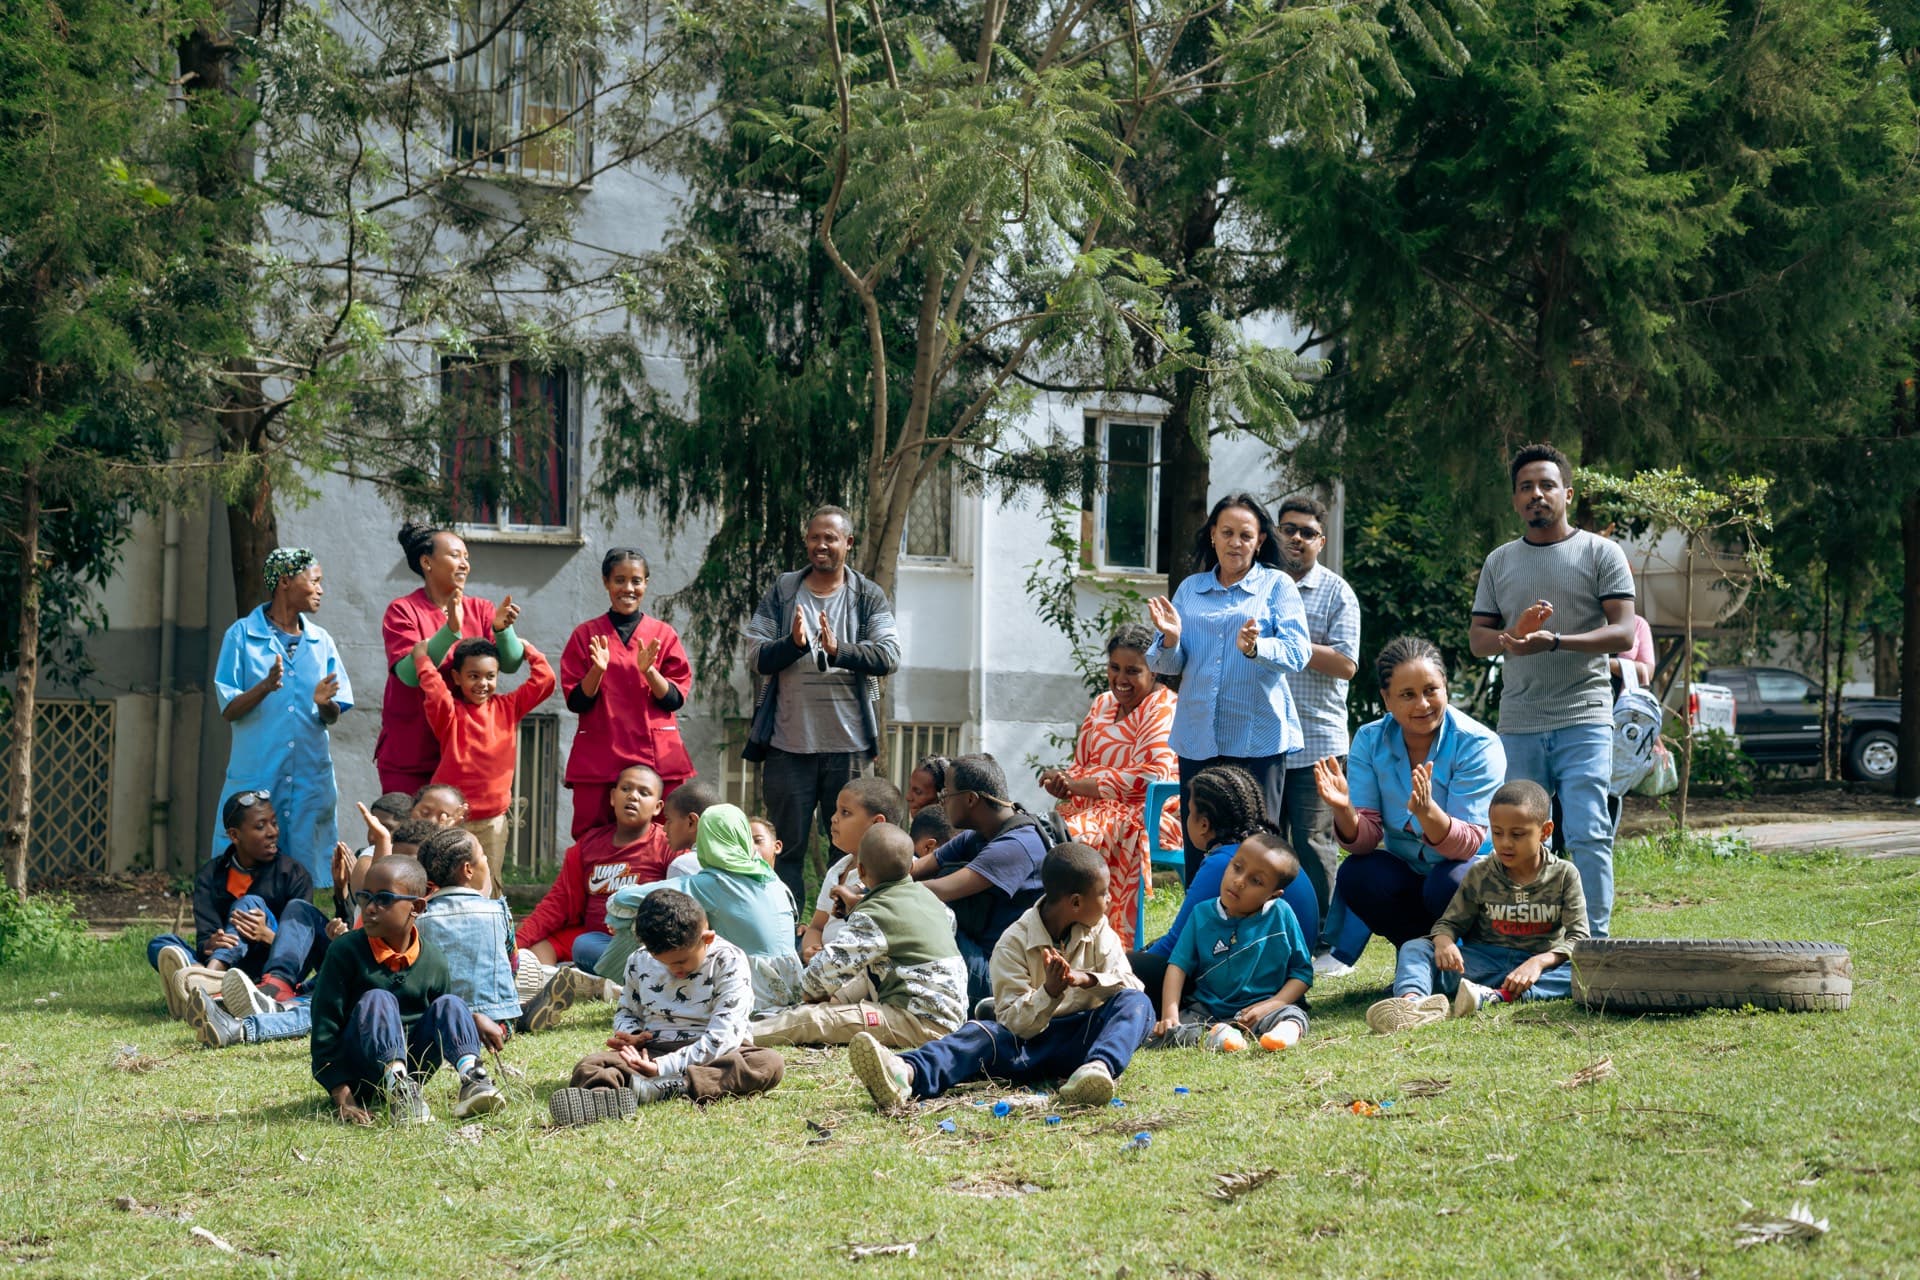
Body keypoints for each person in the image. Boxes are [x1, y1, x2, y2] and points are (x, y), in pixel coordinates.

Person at [1470, 443, 1636, 938]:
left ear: (1566, 493)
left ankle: (1594, 941)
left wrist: (1557, 640)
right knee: (1519, 835)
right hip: (1519, 720)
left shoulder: (1600, 552)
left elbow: (1624, 633)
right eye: (1526, 488)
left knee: (1587, 830)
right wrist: (1512, 637)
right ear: (1515, 500)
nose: (1536, 495)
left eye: (1546, 486)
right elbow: (1479, 639)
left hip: (1584, 713)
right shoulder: (1500, 562)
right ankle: (1526, 935)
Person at [849, 843, 1152, 1112]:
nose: (1109, 900)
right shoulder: (1013, 943)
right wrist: (1049, 991)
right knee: (980, 1034)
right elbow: (1013, 1024)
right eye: (1103, 893)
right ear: (1075, 903)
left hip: (1084, 1044)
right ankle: (906, 1072)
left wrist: (1085, 979)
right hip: (1026, 1049)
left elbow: (1130, 984)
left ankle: (1097, 1070)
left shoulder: (1098, 930)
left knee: (1137, 1002)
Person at [188, 828, 525, 1049]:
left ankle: (251, 1020)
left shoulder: (418, 916)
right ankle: (270, 1001)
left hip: (424, 1022)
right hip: (496, 1026)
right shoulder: (499, 911)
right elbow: (511, 966)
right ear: (469, 869)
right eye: (484, 858)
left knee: (334, 1008)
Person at [1145, 493, 1313, 881]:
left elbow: (1298, 652)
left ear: (1260, 542)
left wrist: (1257, 647)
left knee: (1257, 845)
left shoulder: (1277, 586)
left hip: (1258, 740)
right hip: (1198, 737)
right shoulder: (1190, 590)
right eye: (1227, 533)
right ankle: (1199, 925)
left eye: (1245, 535)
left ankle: (1260, 930)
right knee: (1200, 841)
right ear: (1212, 538)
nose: (1236, 542)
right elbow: (1169, 664)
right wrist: (1169, 639)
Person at [1315, 636, 1506, 971]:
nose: (1422, 704)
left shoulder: (1478, 744)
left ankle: (1470, 958)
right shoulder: (1369, 740)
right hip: (1411, 870)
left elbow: (1468, 845)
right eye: (1407, 695)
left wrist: (1428, 813)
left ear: (1445, 687)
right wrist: (1344, 809)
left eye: (1431, 690)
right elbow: (1366, 840)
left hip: (1469, 871)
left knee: (1447, 882)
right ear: (1386, 700)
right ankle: (1419, 957)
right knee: (1359, 874)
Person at [744, 505, 901, 910]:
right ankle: (787, 934)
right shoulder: (783, 591)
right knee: (786, 852)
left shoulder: (866, 595)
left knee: (848, 854)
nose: (821, 545)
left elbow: (889, 654)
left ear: (848, 543)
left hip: (848, 749)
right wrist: (792, 645)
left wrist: (839, 650)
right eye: (814, 537)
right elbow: (755, 655)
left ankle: (835, 933)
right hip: (786, 746)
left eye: (830, 538)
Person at [1366, 780, 1590, 1033]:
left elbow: (1579, 938)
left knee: (1591, 970)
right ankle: (1412, 1005)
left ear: (1545, 831)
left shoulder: (1564, 874)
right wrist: (1444, 942)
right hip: (1481, 965)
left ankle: (1494, 997)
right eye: (1497, 832)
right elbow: (1449, 923)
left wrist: (1538, 962)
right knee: (1416, 948)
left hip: (1538, 969)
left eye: (1517, 834)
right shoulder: (1481, 873)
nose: (1505, 843)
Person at [547, 889, 785, 1126]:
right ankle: (603, 1099)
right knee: (591, 1065)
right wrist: (632, 1035)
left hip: (716, 1053)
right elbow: (628, 1009)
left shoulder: (729, 961)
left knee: (768, 1063)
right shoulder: (639, 960)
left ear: (707, 938)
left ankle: (670, 1087)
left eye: (682, 961)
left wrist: (662, 1068)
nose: (675, 971)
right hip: (655, 1049)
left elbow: (724, 1036)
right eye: (664, 963)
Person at [306, 854, 507, 1125]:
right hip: (360, 1071)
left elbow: (440, 1017)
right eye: (365, 897)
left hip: (415, 1067)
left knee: (451, 1002)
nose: (370, 908)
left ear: (417, 907)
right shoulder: (345, 951)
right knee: (378, 999)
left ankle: (473, 1079)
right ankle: (398, 1090)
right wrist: (344, 1099)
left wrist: (471, 1019)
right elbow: (324, 1034)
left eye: (384, 899)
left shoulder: (433, 959)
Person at [209, 548, 353, 883]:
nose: (321, 589)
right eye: (314, 581)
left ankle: (298, 930)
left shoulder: (322, 642)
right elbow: (229, 709)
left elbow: (333, 715)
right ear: (285, 582)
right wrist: (265, 687)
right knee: (246, 869)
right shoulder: (242, 636)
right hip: (259, 772)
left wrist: (322, 704)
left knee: (302, 872)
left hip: (308, 778)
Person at [751, 824, 966, 1048]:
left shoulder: (875, 916)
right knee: (865, 973)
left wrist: (812, 995)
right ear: (911, 865)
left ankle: (740, 1036)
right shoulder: (933, 901)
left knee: (812, 1018)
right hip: (948, 1016)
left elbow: (815, 982)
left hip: (919, 1023)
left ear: (860, 872)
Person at [1040, 624, 1181, 949]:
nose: (1121, 679)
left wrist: (1082, 784)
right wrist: (1064, 783)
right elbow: (1081, 765)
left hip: (1146, 815)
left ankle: (1102, 945)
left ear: (1155, 670)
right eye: (1114, 668)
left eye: (1133, 671)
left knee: (1066, 844)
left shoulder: (1164, 707)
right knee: (1043, 835)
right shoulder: (1103, 703)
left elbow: (1151, 777)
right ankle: (1063, 940)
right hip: (1090, 809)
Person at [1126, 768, 1319, 996]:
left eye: (1187, 812)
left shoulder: (1226, 863)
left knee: (1124, 967)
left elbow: (1171, 948)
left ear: (1204, 824)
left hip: (1253, 980)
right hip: (1278, 974)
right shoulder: (1269, 851)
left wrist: (1129, 963)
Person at [377, 522, 526, 795]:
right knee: (409, 836)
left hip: (465, 757)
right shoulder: (403, 611)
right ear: (427, 562)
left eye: (466, 558)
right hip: (411, 756)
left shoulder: (481, 609)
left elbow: (512, 663)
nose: (464, 564)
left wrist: (503, 631)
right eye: (455, 555)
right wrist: (449, 631)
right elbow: (409, 675)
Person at [1272, 496, 1361, 947]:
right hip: (1265, 737)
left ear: (1320, 542)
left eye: (1307, 532)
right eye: (1288, 529)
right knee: (1268, 840)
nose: (1296, 539)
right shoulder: (1262, 584)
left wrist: (1287, 642)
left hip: (1317, 740)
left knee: (1312, 842)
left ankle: (1323, 936)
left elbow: (1346, 663)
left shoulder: (1336, 592)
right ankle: (1275, 931)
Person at [560, 548, 696, 839]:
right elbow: (576, 701)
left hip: (655, 755)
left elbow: (674, 699)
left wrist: (649, 672)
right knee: (592, 838)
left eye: (636, 581)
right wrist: (597, 670)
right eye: (619, 580)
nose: (628, 588)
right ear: (606, 582)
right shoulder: (586, 635)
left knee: (664, 837)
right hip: (601, 754)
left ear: (646, 583)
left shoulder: (663, 634)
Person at [150, 792, 316, 1018]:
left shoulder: (293, 874)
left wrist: (265, 934)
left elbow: (303, 945)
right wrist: (210, 943)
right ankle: (212, 985)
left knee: (249, 903)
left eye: (274, 823)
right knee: (161, 944)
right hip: (229, 963)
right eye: (260, 826)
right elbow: (204, 939)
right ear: (235, 835)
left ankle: (205, 982)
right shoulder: (210, 875)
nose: (273, 832)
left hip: (272, 971)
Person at [413, 631, 556, 890]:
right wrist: (422, 659)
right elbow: (434, 691)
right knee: (441, 882)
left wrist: (527, 649)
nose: (483, 683)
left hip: (492, 821)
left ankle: (493, 929)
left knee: (489, 883)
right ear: (457, 677)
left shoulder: (508, 707)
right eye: (473, 676)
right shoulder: (450, 714)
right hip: (452, 819)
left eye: (490, 676)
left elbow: (545, 680)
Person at [1147, 837, 1312, 1051]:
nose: (1239, 881)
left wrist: (1273, 1004)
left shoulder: (1281, 915)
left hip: (1263, 1008)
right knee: (1166, 1035)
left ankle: (1281, 1036)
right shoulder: (1201, 914)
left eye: (1256, 881)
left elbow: (1302, 973)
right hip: (1206, 1011)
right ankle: (1221, 1037)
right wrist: (1170, 1015)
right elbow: (1178, 966)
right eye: (1237, 867)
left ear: (1273, 894)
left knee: (1292, 1016)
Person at [912, 754, 1049, 1006]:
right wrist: (864, 886)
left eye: (946, 795)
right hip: (978, 954)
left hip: (998, 980)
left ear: (970, 799)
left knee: (924, 912)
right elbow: (915, 869)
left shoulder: (1017, 845)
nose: (942, 803)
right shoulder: (979, 835)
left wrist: (868, 897)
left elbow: (934, 890)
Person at [516, 764, 671, 977]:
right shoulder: (587, 845)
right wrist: (514, 945)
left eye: (644, 793)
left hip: (640, 943)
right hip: (592, 937)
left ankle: (601, 978)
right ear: (613, 797)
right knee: (539, 947)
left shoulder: (667, 843)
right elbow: (556, 904)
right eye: (626, 789)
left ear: (657, 807)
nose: (633, 796)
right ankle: (553, 988)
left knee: (586, 947)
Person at [654, 804, 804, 1011]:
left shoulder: (716, 882)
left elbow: (632, 898)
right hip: (793, 987)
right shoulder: (776, 883)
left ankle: (638, 989)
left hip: (748, 992)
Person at [800, 777, 906, 963]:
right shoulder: (838, 870)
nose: (833, 818)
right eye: (836, 810)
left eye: (845, 812)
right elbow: (816, 926)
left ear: (877, 824)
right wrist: (811, 949)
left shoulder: (898, 869)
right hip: (827, 966)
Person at [661, 780, 722, 880]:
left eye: (669, 820)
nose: (664, 828)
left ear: (691, 822)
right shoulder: (746, 861)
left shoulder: (683, 866)